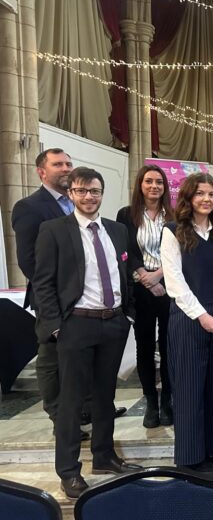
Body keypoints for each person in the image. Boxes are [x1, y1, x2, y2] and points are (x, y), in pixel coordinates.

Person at [32, 167, 141, 499]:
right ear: (70, 194)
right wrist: (55, 326)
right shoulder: (54, 230)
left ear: (102, 194)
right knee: (71, 401)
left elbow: (126, 271)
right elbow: (43, 282)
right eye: (81, 191)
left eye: (94, 191)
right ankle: (68, 471)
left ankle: (104, 456)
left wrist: (128, 315)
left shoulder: (118, 230)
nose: (88, 197)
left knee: (105, 397)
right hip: (76, 324)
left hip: (113, 323)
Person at [160, 172, 213, 477]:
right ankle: (191, 457)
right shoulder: (174, 231)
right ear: (188, 198)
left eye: (211, 194)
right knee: (190, 388)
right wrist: (202, 316)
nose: (206, 199)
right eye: (200, 194)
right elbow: (175, 281)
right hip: (189, 320)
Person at [11, 149, 93, 440]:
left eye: (69, 163)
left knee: (81, 357)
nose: (66, 168)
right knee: (51, 360)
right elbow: (28, 260)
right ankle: (60, 418)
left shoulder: (79, 203)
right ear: (41, 172)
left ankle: (84, 408)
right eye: (58, 164)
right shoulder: (30, 207)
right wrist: (57, 296)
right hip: (53, 300)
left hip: (86, 300)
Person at [116, 165, 174, 428]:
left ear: (165, 187)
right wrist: (146, 278)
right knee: (145, 347)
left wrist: (160, 275)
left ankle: (168, 401)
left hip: (171, 285)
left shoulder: (175, 214)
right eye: (149, 181)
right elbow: (125, 249)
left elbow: (180, 248)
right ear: (140, 184)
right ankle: (151, 400)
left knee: (170, 346)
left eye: (159, 182)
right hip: (141, 288)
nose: (154, 186)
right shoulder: (127, 214)